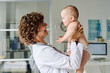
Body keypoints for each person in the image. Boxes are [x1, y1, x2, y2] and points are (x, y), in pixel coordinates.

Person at [18, 12, 84, 73]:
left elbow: (66, 58)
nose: (46, 24)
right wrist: (74, 40)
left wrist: (71, 39)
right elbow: (73, 64)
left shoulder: (43, 47)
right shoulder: (43, 52)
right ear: (35, 31)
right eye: (43, 24)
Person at [56, 5, 90, 73]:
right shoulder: (71, 25)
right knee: (76, 65)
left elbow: (72, 31)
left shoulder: (74, 23)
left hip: (83, 49)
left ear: (71, 18)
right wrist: (64, 37)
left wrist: (63, 39)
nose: (62, 20)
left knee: (79, 66)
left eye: (63, 18)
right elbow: (70, 34)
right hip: (77, 48)